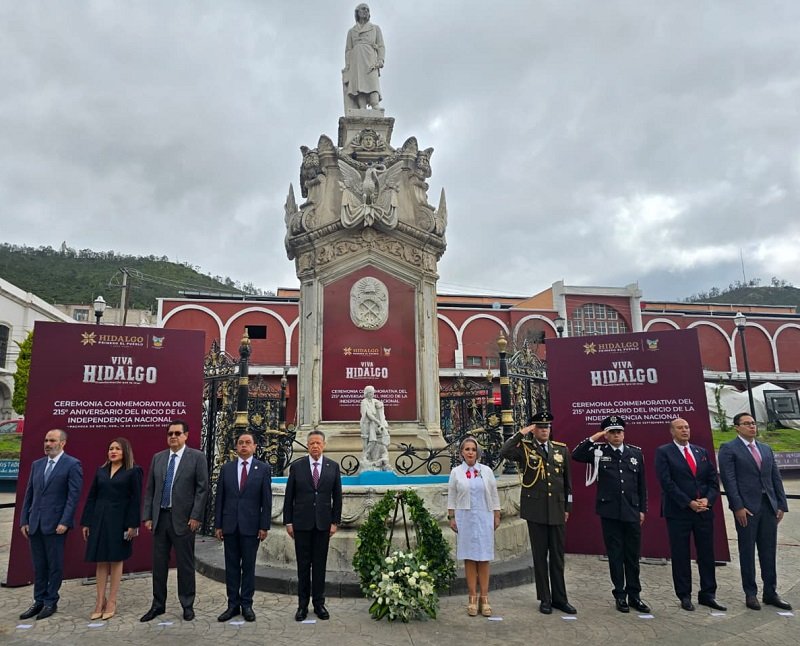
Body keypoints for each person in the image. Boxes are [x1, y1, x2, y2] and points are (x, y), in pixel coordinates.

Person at [500, 412, 576, 615]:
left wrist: (567, 508)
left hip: (557, 510)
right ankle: (545, 598)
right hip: (536, 512)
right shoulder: (525, 449)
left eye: (547, 427)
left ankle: (561, 598)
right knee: (540, 557)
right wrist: (521, 433)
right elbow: (504, 451)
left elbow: (568, 484)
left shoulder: (561, 450)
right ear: (534, 429)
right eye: (540, 427)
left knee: (558, 557)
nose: (544, 430)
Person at [572, 416, 650, 614]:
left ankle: (635, 595)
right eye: (612, 432)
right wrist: (594, 437)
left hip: (631, 510)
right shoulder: (599, 452)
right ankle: (620, 595)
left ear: (624, 433)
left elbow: (642, 485)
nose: (617, 435)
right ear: (606, 435)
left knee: (632, 556)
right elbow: (577, 454)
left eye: (619, 432)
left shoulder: (635, 453)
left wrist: (642, 509)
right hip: (610, 511)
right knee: (615, 555)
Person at [718, 412, 792, 611]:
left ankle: (771, 592)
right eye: (746, 423)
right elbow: (729, 480)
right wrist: (737, 506)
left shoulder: (765, 449)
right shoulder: (729, 449)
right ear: (737, 427)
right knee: (747, 551)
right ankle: (750, 593)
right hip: (747, 509)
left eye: (753, 423)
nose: (752, 426)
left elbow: (775, 478)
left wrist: (781, 505)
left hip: (768, 506)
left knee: (768, 550)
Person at [654, 418, 726, 612]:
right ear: (672, 431)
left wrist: (708, 501)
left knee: (706, 554)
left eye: (687, 427)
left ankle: (708, 594)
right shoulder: (664, 452)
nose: (685, 430)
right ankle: (684, 595)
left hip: (703, 512)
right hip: (679, 512)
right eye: (680, 428)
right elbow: (667, 483)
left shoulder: (700, 452)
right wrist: (689, 502)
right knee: (681, 554)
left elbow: (712, 481)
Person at [140, 420, 208, 622]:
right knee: (159, 565)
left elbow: (202, 489)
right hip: (161, 519)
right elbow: (151, 489)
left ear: (186, 435)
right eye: (170, 433)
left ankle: (187, 604)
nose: (173, 437)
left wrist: (196, 516)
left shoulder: (196, 457)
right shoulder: (158, 458)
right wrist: (148, 516)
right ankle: (158, 605)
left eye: (178, 433)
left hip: (184, 521)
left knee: (185, 565)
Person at [19, 429, 83, 621]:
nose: (47, 443)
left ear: (62, 443)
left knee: (54, 565)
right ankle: (38, 600)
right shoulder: (37, 465)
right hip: (35, 523)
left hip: (56, 525)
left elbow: (73, 497)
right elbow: (29, 494)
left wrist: (65, 521)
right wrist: (24, 520)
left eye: (52, 440)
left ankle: (50, 601)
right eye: (46, 440)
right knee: (39, 565)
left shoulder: (72, 464)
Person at [283, 430, 343, 621]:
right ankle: (302, 606)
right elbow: (289, 496)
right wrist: (288, 522)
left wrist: (335, 522)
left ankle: (319, 604)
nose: (315, 446)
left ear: (324, 445)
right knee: (302, 566)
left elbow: (337, 497)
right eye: (311, 443)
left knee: (319, 566)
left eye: (318, 443)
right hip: (301, 524)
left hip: (323, 525)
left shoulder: (332, 467)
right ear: (307, 446)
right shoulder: (297, 467)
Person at [80, 437, 143, 620]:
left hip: (120, 522)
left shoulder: (133, 471)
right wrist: (87, 522)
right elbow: (91, 497)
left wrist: (133, 525)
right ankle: (99, 601)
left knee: (115, 561)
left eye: (117, 448)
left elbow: (135, 500)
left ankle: (112, 601)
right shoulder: (101, 471)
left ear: (125, 452)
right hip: (99, 520)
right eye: (110, 448)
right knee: (101, 560)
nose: (113, 451)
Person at [214, 432, 272, 623]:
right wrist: (218, 525)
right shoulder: (227, 469)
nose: (244, 446)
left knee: (248, 567)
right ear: (236, 447)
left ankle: (247, 604)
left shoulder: (262, 469)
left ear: (255, 446)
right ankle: (232, 604)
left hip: (251, 527)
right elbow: (220, 498)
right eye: (240, 443)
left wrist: (264, 526)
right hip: (230, 526)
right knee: (231, 568)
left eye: (248, 443)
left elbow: (266, 500)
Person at [447, 436, 501, 617]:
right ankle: (471, 597)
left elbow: (494, 493)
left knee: (484, 556)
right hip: (465, 517)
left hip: (484, 515)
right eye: (467, 449)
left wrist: (496, 513)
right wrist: (451, 516)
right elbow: (451, 495)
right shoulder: (456, 472)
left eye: (473, 449)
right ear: (462, 452)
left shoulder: (486, 471)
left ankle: (484, 598)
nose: (470, 452)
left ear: (477, 452)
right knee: (469, 557)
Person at [342, 3, 385, 111]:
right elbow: (348, 50)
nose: (366, 11)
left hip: (370, 58)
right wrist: (348, 65)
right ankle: (362, 106)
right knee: (359, 82)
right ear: (357, 13)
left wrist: (380, 59)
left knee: (372, 81)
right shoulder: (352, 31)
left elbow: (381, 46)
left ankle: (375, 103)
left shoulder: (375, 28)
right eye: (363, 9)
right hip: (356, 60)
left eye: (367, 9)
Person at [359, 385, 390, 471]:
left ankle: (370, 457)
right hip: (366, 424)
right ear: (366, 393)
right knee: (367, 442)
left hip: (373, 424)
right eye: (369, 393)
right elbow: (368, 414)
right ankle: (365, 456)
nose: (371, 394)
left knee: (373, 440)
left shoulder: (373, 401)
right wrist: (378, 422)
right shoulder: (364, 402)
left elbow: (380, 404)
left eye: (372, 393)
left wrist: (381, 406)